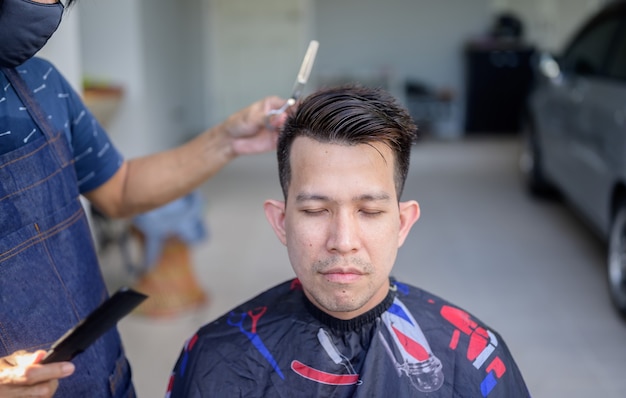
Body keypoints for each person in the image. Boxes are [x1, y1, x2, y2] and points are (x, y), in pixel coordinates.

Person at [0, 0, 288, 396]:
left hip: (104, 377)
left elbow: (120, 189)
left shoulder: (43, 83)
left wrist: (228, 139)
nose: (43, 7)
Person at [166, 85, 531, 397]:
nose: (343, 241)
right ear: (281, 222)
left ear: (402, 223)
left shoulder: (476, 357)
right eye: (315, 211)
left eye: (369, 211)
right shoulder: (215, 356)